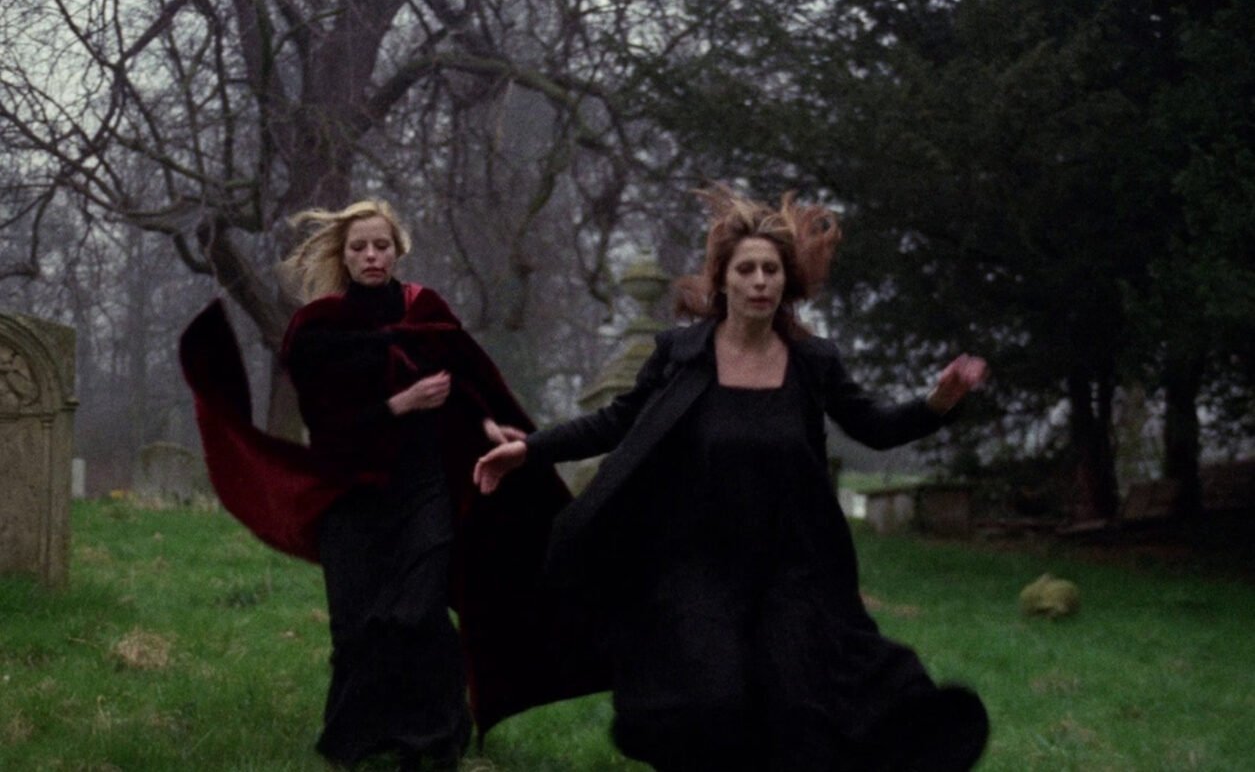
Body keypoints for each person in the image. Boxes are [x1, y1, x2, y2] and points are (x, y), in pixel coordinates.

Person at [474, 186, 991, 772]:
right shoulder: (682, 355)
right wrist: (530, 449)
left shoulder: (812, 362)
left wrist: (938, 402)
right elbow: (617, 421)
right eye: (747, 269)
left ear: (786, 281)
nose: (760, 281)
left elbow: (873, 426)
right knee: (710, 700)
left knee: (803, 701)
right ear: (722, 280)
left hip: (792, 567)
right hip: (698, 565)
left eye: (771, 269)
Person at [179, 199, 606, 770]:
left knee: (417, 611)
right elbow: (327, 427)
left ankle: (434, 741)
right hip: (349, 491)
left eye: (381, 245)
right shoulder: (318, 329)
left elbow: (468, 382)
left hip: (423, 486)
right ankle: (359, 741)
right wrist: (398, 404)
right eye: (359, 247)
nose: (371, 256)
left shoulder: (425, 310)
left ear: (397, 250)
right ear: (343, 256)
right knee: (357, 624)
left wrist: (487, 424)